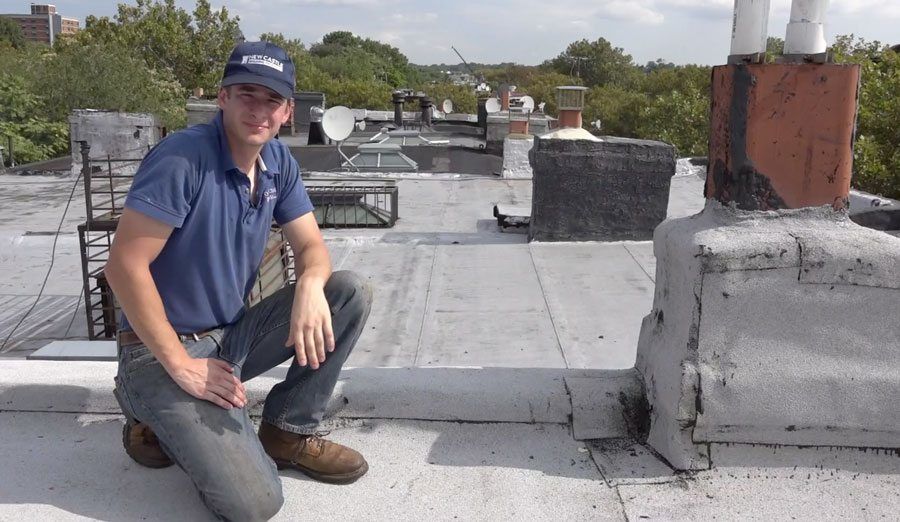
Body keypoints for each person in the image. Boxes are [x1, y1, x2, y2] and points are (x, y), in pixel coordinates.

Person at [105, 41, 372, 521]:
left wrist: (311, 287)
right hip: (159, 350)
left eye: (272, 100)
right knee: (255, 504)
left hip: (230, 338)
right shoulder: (183, 159)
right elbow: (124, 266)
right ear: (223, 98)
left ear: (288, 111)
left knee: (347, 293)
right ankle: (145, 407)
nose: (259, 110)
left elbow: (312, 247)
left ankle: (286, 431)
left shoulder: (277, 164)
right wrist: (183, 365)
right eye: (247, 94)